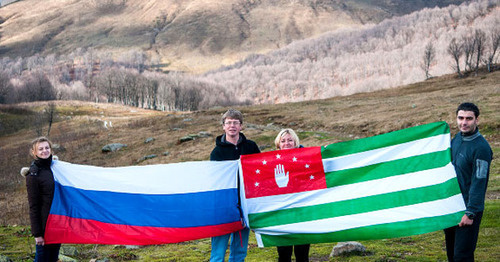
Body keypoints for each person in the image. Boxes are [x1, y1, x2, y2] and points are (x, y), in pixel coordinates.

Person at [210, 109, 260, 262]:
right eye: (229, 123)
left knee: (239, 252)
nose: (232, 126)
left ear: (241, 126)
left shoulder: (251, 147)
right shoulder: (217, 152)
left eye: (235, 123)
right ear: (223, 127)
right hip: (223, 206)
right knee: (218, 253)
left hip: (244, 205)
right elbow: (214, 180)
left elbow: (259, 171)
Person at [444, 102, 492, 262]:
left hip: (468, 209)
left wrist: (470, 212)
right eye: (460, 118)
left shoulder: (481, 149)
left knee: (462, 256)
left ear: (477, 120)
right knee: (451, 253)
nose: (464, 122)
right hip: (451, 206)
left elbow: (479, 183)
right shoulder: (457, 139)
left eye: (469, 118)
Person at [274, 128, 310, 262]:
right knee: (284, 253)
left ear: (296, 142)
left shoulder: (306, 158)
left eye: (290, 140)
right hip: (282, 213)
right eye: (283, 141)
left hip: (302, 211)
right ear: (278, 144)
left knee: (302, 253)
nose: (287, 143)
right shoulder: (270, 162)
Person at [23, 137, 61, 262]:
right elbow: (34, 206)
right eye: (40, 149)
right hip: (45, 226)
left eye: (47, 148)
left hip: (58, 222)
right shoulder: (33, 174)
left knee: (53, 258)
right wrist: (37, 234)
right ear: (34, 153)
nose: (44, 151)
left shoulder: (57, 169)